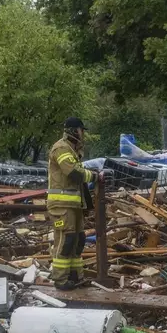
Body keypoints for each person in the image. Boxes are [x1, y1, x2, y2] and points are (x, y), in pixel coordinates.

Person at [47, 117, 102, 290]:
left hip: (74, 205)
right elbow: (73, 173)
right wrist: (94, 176)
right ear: (74, 130)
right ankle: (60, 280)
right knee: (66, 240)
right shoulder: (61, 148)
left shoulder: (72, 149)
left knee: (79, 239)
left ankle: (75, 276)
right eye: (81, 130)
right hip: (61, 205)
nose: (83, 134)